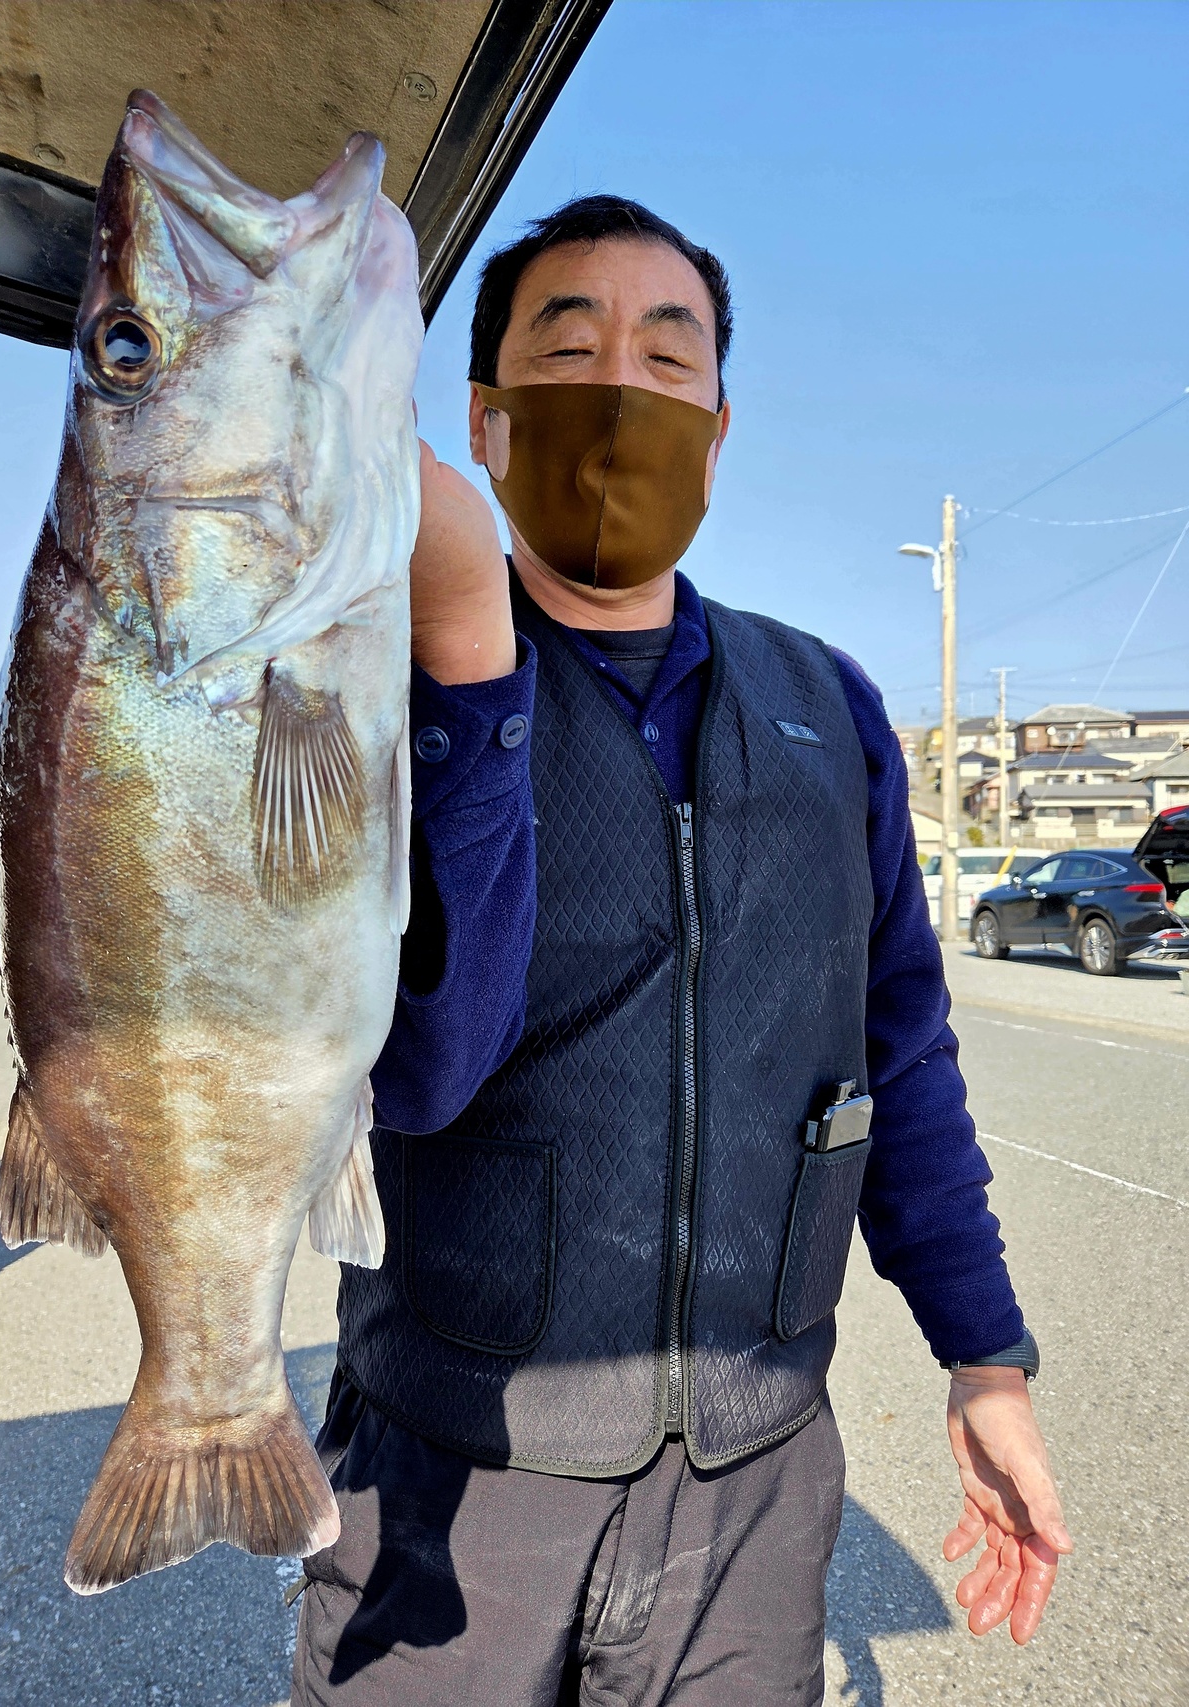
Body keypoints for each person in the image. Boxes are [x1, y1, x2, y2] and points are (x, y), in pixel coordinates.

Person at [291, 196, 1071, 1707]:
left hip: (754, 1483)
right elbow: (420, 1070)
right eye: (568, 350)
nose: (620, 394)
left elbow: (898, 1054)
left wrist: (985, 1358)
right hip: (451, 1467)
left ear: (717, 433)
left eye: (667, 359)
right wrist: (467, 662)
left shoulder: (827, 705)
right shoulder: (368, 697)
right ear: (485, 423)